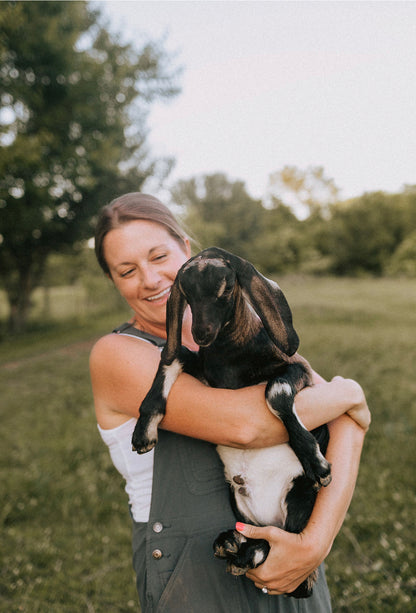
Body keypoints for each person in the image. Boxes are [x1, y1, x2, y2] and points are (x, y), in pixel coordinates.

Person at [90, 192, 370, 613]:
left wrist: (314, 544)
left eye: (159, 256)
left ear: (187, 250)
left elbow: (346, 425)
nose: (149, 279)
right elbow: (247, 426)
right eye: (127, 270)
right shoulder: (118, 355)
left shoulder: (242, 336)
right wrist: (350, 392)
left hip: (285, 556)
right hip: (192, 578)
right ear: (113, 280)